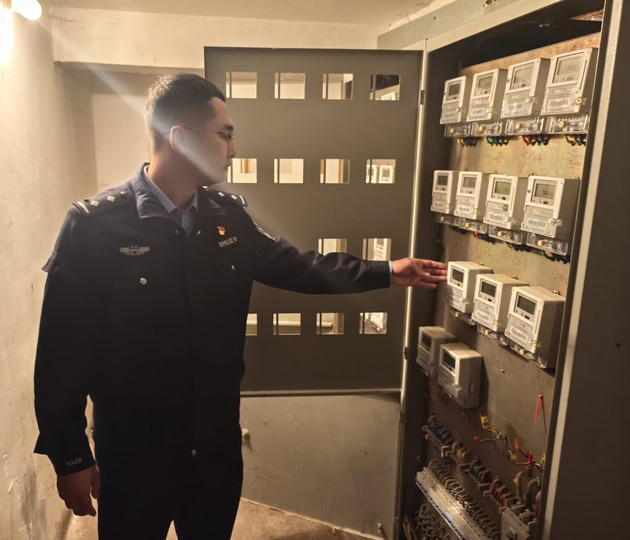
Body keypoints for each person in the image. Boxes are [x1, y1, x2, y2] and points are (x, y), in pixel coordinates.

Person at [34, 73, 447, 540]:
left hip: (213, 451)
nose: (234, 150)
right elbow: (60, 355)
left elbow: (299, 267)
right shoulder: (94, 227)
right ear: (180, 138)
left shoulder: (227, 217)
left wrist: (386, 271)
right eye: (225, 135)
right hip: (134, 456)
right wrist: (70, 457)